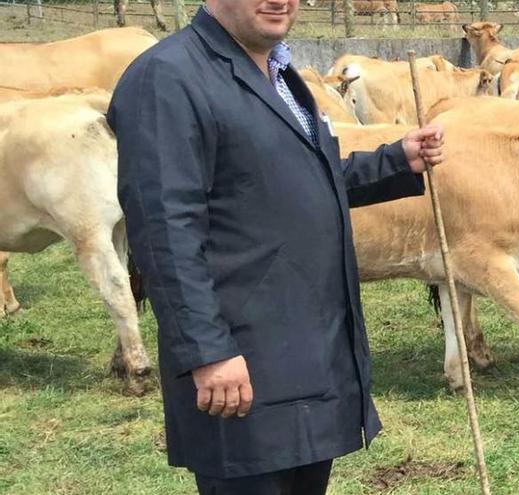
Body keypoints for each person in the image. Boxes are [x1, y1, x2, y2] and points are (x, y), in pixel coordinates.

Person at [107, 0, 444, 493]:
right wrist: (207, 351)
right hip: (240, 363)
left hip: (305, 357)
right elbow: (164, 231)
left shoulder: (280, 74)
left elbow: (295, 180)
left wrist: (397, 160)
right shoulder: (168, 77)